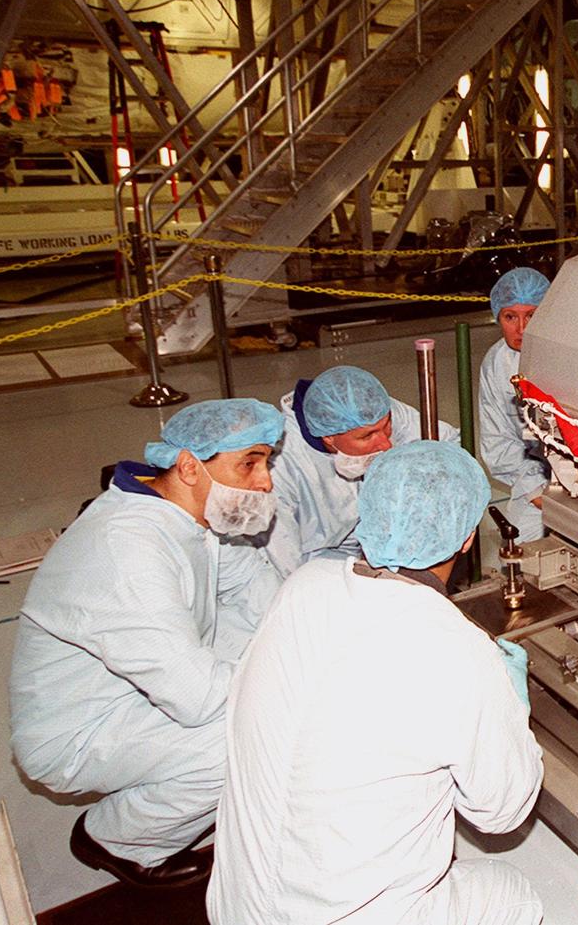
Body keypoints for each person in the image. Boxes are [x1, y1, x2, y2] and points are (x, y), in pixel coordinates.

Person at [208, 441, 544, 925]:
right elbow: (502, 814)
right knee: (514, 894)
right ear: (469, 537)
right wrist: (513, 708)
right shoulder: (456, 647)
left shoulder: (303, 586)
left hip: (237, 909)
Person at [8, 399, 284, 888]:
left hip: (136, 682)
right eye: (250, 462)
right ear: (188, 466)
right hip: (78, 726)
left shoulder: (187, 516)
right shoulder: (127, 547)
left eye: (265, 462)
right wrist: (297, 675)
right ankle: (119, 840)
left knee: (268, 639)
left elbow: (252, 588)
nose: (264, 481)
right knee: (248, 735)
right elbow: (197, 697)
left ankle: (181, 785)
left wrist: (314, 634)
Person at [266, 364, 459, 577]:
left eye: (386, 427)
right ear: (329, 438)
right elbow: (287, 569)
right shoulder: (280, 466)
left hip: (377, 544)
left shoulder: (370, 411)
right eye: (367, 437)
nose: (385, 443)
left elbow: (449, 447)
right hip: (318, 566)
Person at [480, 267, 552, 542]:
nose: (521, 328)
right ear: (497, 316)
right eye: (511, 317)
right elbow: (497, 440)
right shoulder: (497, 364)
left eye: (531, 315)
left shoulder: (571, 356)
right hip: (535, 471)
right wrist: (535, 491)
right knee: (517, 545)